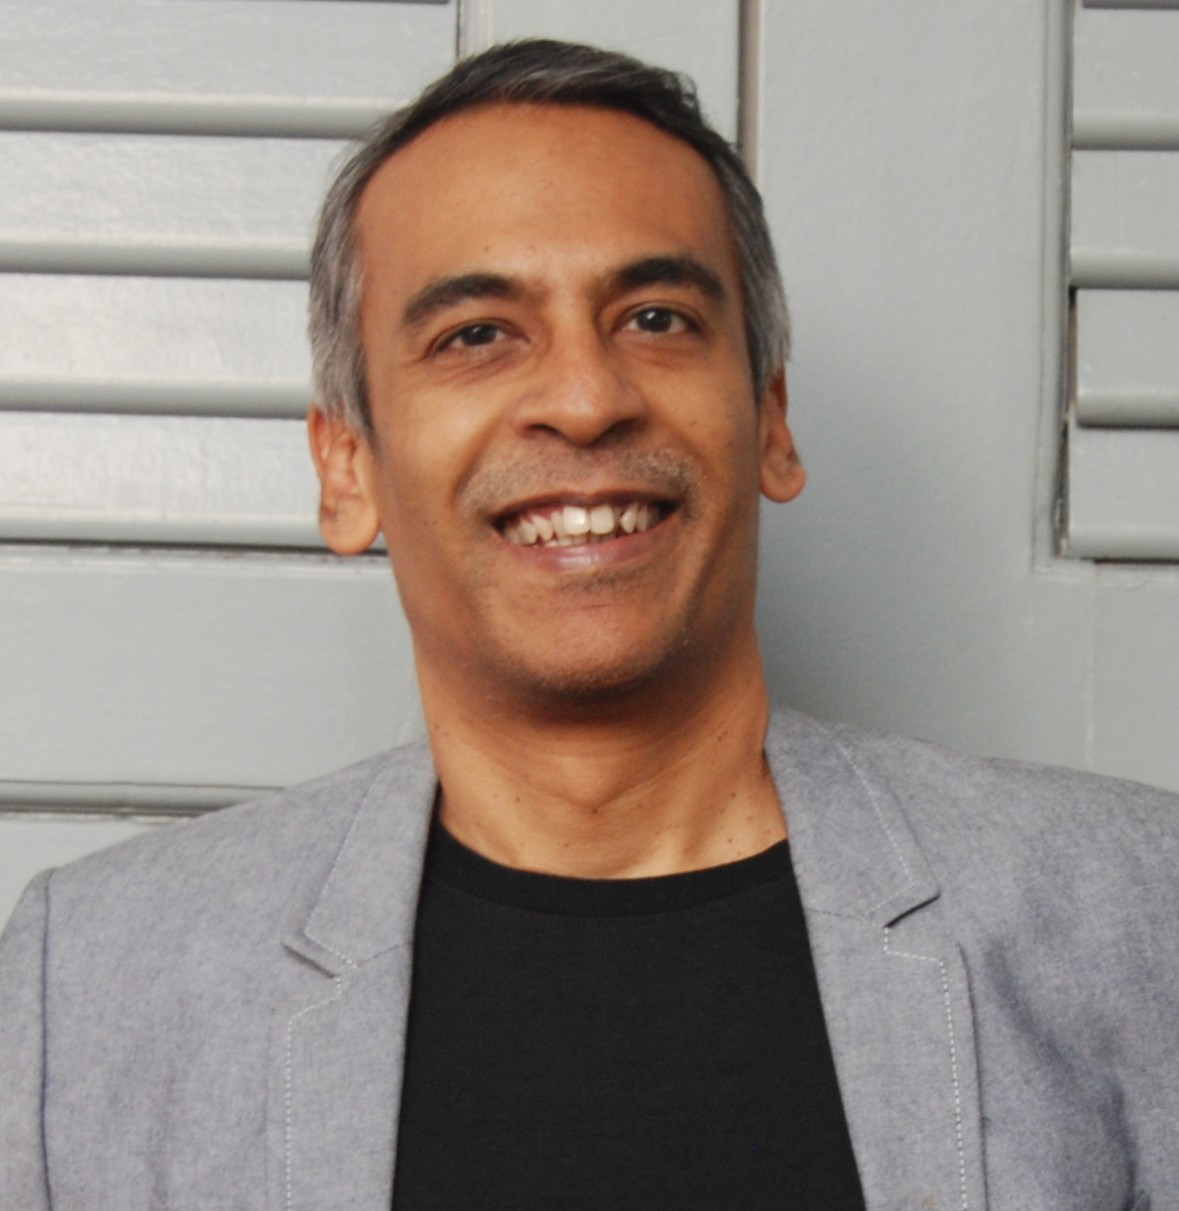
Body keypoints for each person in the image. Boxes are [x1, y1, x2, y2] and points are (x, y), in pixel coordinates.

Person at [2, 38, 1177, 1211]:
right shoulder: (89, 981)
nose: (584, 398)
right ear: (347, 466)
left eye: (655, 317)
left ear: (770, 417)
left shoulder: (1136, 906)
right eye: (476, 333)